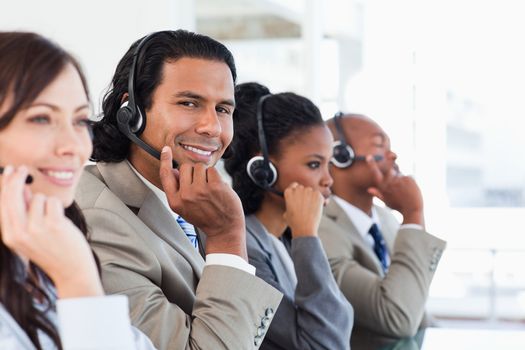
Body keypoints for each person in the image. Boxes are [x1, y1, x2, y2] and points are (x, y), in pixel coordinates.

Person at [75, 30, 282, 350]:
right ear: (131, 111)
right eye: (189, 103)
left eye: (223, 109)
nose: (211, 127)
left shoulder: (197, 196)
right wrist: (228, 239)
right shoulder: (96, 220)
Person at [0, 32, 155, 350]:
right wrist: (78, 283)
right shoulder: (69, 262)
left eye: (81, 120)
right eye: (41, 118)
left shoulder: (44, 257)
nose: (74, 146)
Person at [224, 82, 354, 350]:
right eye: (314, 164)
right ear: (263, 169)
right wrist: (307, 235)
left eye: (329, 164)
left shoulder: (282, 238)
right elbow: (322, 343)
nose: (328, 180)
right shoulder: (245, 249)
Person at [318, 113, 447, 349]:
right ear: (340, 155)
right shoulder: (320, 227)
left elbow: (416, 298)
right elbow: (398, 317)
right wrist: (413, 213)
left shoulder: (386, 218)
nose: (393, 155)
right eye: (379, 145)